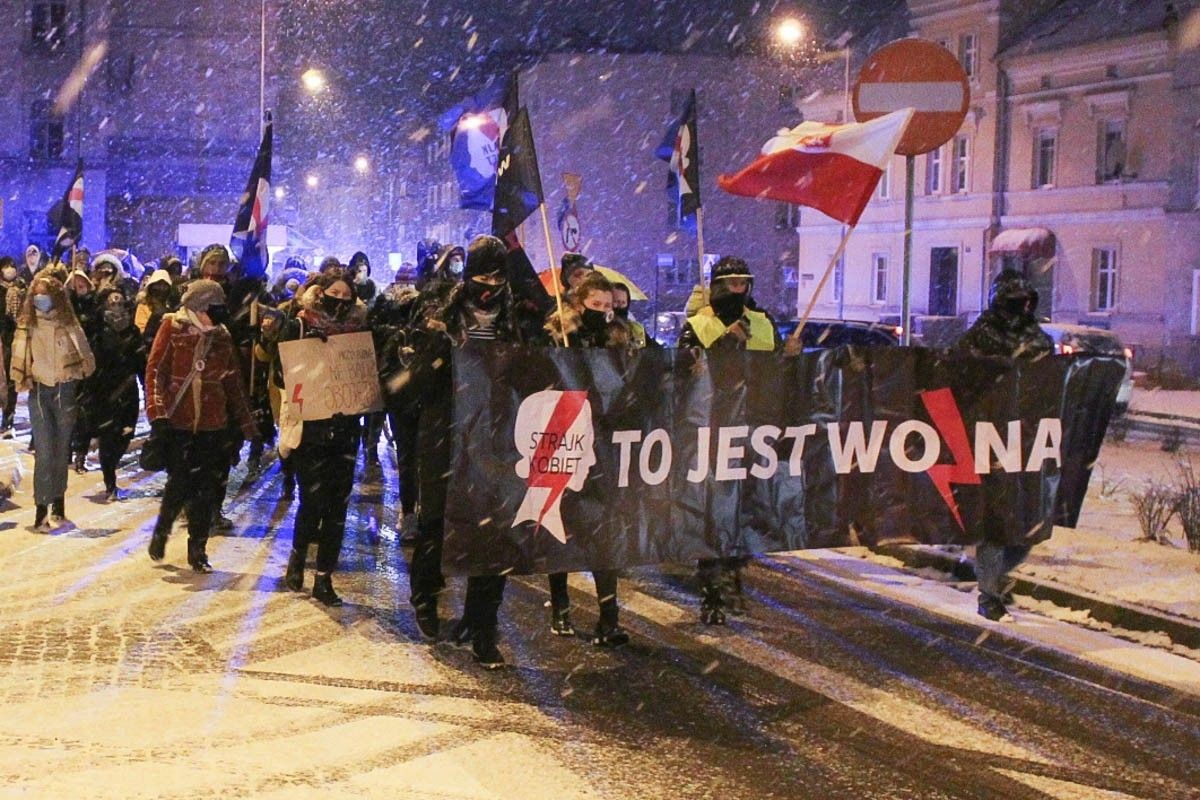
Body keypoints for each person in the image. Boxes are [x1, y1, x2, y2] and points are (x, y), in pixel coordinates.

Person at [405, 234, 528, 669]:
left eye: (497, 277)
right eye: (482, 276)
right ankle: (425, 597)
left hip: (496, 440)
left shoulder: (519, 318)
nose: (490, 285)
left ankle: (482, 626)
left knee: (491, 534)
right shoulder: (441, 313)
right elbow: (414, 381)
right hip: (446, 434)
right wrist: (436, 349)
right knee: (437, 525)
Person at [678, 257, 787, 624]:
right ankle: (712, 589)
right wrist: (725, 344)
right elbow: (686, 375)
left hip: (753, 431)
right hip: (710, 430)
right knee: (714, 514)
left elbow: (774, 375)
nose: (737, 290)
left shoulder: (763, 323)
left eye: (743, 283)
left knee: (744, 512)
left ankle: (732, 577)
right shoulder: (698, 324)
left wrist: (790, 357)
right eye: (731, 284)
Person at [951, 269, 1054, 622]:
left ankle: (991, 575)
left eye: (1026, 302)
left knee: (1026, 527)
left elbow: (1051, 383)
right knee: (996, 520)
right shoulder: (980, 337)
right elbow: (956, 378)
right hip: (989, 438)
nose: (1021, 308)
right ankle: (989, 593)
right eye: (1015, 302)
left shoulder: (1037, 339)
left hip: (1026, 441)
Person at [541, 272, 633, 647]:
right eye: (595, 306)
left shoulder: (619, 339)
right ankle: (560, 606)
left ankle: (608, 618)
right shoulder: (558, 336)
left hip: (604, 444)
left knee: (604, 532)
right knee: (561, 524)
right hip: (566, 440)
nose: (603, 313)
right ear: (579, 305)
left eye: (608, 307)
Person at [145, 279, 258, 572]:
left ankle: (198, 549)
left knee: (206, 491)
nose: (220, 314)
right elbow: (156, 371)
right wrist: (157, 415)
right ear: (199, 306)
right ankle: (162, 529)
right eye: (214, 308)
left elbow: (233, 383)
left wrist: (248, 424)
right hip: (178, 423)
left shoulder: (221, 336)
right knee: (179, 484)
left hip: (212, 425)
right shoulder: (172, 327)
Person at [279, 271, 368, 606]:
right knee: (312, 502)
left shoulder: (359, 332)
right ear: (322, 293)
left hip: (344, 431)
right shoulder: (301, 324)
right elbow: (280, 372)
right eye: (335, 294)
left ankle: (324, 577)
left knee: (337, 509)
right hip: (312, 429)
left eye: (347, 297)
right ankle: (298, 556)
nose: (341, 301)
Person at [9, 275, 95, 529]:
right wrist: (20, 378)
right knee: (44, 450)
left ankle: (58, 498)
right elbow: (18, 357)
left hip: (64, 389)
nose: (40, 299)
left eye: (45, 293)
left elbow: (86, 357)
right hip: (39, 391)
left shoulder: (68, 324)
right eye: (36, 293)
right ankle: (41, 507)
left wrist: (75, 372)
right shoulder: (27, 326)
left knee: (60, 449)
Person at [89, 288, 145, 501]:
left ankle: (113, 462)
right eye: (112, 303)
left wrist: (146, 385)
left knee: (125, 435)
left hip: (128, 390)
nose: (117, 306)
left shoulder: (132, 331)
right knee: (107, 436)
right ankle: (109, 480)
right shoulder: (99, 329)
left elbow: (141, 361)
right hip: (105, 390)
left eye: (120, 303)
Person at [0, 256, 28, 436]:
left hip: (15, 338)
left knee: (11, 379)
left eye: (12, 266)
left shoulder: (23, 290)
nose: (10, 270)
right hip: (2, 338)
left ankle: (8, 417)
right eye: (6, 267)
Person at [610, 282, 648, 348]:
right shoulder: (602, 329)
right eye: (616, 302)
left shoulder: (636, 329)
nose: (620, 306)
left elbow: (653, 349)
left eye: (623, 302)